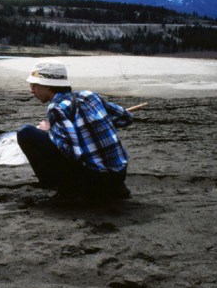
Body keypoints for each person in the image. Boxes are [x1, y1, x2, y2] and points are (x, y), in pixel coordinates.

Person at [16, 61, 133, 201]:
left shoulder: (57, 108)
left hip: (97, 181)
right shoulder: (89, 95)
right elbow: (126, 118)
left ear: (46, 85)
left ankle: (67, 190)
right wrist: (94, 122)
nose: (31, 90)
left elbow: (73, 153)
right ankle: (115, 188)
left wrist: (50, 130)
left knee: (26, 133)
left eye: (34, 85)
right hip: (119, 176)